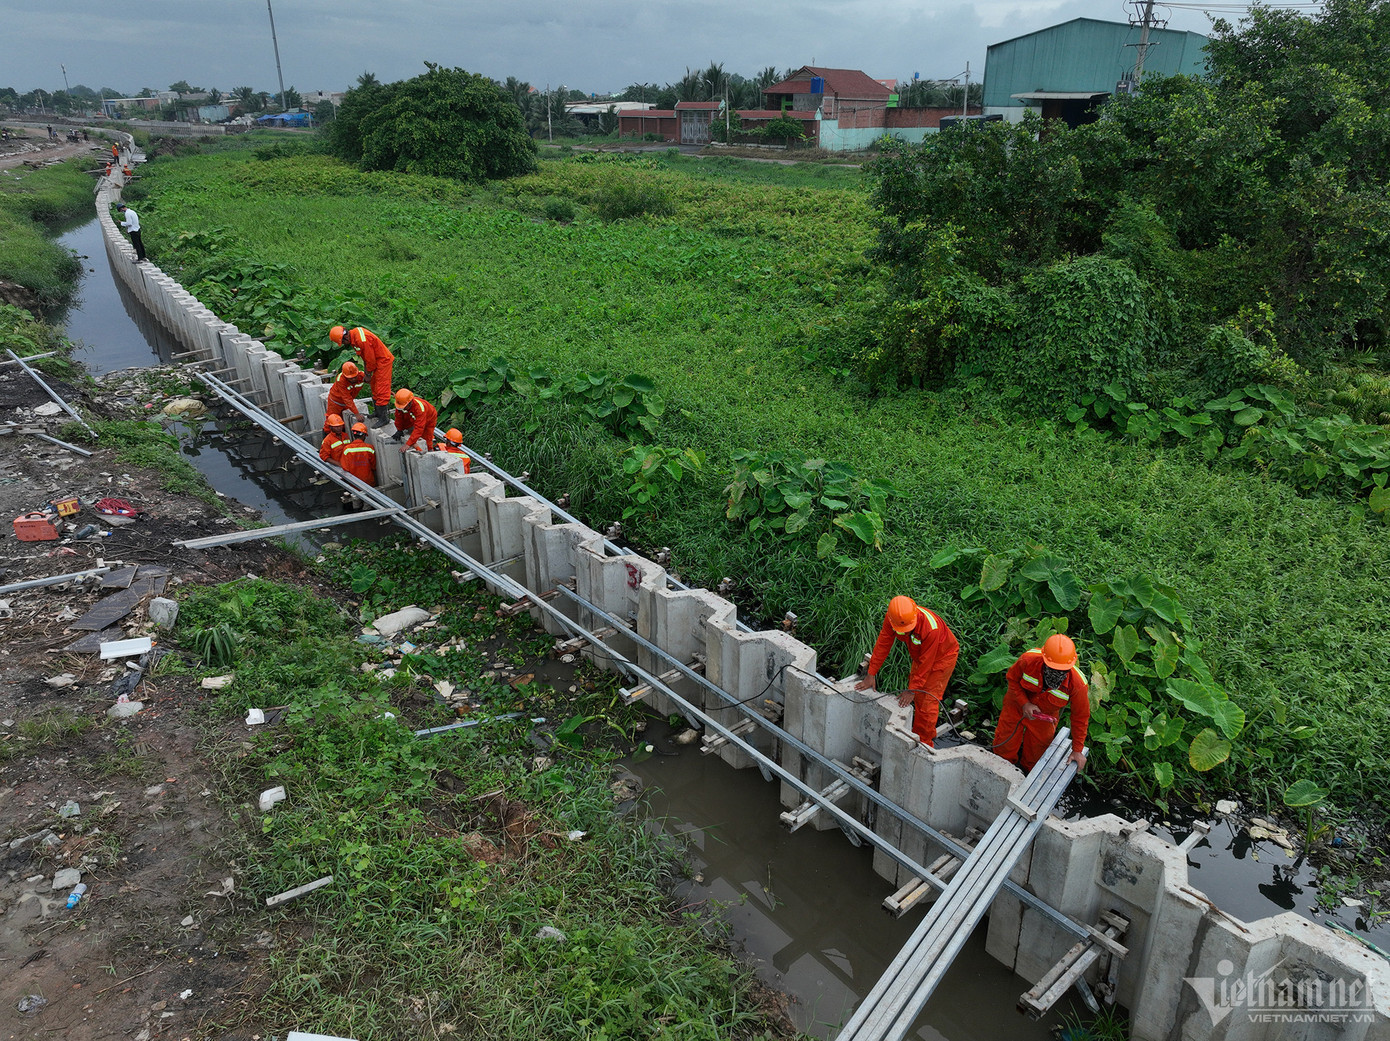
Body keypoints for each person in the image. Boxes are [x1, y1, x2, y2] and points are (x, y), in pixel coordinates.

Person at [855, 595, 959, 746]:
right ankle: (918, 727)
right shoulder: (893, 618)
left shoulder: (931, 628)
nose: (905, 632)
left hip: (942, 657)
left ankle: (923, 742)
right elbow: (883, 644)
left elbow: (927, 664)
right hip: (920, 656)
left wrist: (912, 690)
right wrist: (871, 673)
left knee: (927, 700)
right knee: (918, 692)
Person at [992, 634, 1090, 774]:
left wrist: (1077, 750)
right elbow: (1012, 679)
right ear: (1044, 660)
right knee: (1004, 747)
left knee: (1036, 757)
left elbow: (1080, 717)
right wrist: (1024, 703)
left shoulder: (1078, 685)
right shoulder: (1028, 660)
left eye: (1062, 670)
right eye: (1053, 668)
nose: (1057, 673)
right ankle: (999, 771)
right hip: (1016, 706)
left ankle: (1025, 776)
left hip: (1044, 717)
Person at [329, 325, 394, 426]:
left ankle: (384, 418)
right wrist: (367, 373)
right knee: (375, 387)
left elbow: (370, 360)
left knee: (381, 389)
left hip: (382, 361)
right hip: (377, 362)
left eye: (342, 342)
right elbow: (365, 358)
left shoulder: (361, 340)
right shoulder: (354, 337)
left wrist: (368, 374)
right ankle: (378, 413)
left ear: (345, 337)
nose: (344, 344)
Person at [391, 388, 436, 454]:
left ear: (410, 403)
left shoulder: (420, 409)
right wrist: (399, 430)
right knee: (407, 425)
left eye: (403, 407)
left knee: (426, 436)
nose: (401, 409)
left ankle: (429, 451)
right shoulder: (402, 404)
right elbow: (399, 417)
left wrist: (408, 444)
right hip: (412, 414)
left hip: (429, 418)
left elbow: (419, 428)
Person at [324, 361, 365, 429]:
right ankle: (327, 435)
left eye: (355, 377)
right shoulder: (341, 380)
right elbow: (347, 398)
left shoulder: (361, 375)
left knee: (343, 423)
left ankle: (342, 435)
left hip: (346, 404)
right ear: (345, 375)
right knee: (332, 422)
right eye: (351, 378)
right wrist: (357, 414)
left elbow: (373, 382)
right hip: (335, 403)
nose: (353, 379)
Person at [340, 422, 377, 489]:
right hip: (368, 483)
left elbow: (345, 468)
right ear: (364, 435)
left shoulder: (347, 449)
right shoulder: (369, 448)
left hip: (353, 484)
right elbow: (373, 466)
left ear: (354, 435)